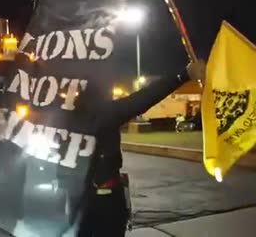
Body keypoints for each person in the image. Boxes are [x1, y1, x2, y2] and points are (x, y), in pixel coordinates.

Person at [76, 59, 206, 237]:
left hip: (79, 200)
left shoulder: (61, 116)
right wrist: (183, 75)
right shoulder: (106, 112)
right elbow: (145, 97)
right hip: (105, 199)